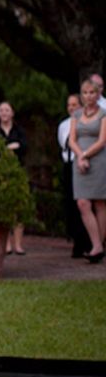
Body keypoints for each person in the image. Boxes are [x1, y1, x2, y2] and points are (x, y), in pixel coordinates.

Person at [69, 79, 106, 263]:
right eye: (85, 92)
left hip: (98, 160)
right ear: (81, 95)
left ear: (97, 94)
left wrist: (86, 154)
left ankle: (98, 247)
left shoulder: (104, 114)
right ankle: (96, 244)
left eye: (92, 92)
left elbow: (102, 141)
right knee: (82, 203)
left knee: (100, 203)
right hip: (80, 162)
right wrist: (80, 156)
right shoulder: (76, 114)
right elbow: (71, 139)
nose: (89, 96)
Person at [58, 94, 90, 259]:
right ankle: (76, 238)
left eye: (75, 104)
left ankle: (86, 242)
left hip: (83, 164)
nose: (71, 107)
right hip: (68, 165)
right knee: (70, 204)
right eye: (69, 105)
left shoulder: (87, 123)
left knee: (83, 203)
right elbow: (63, 146)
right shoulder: (63, 125)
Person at [0, 101, 28, 255]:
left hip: (18, 172)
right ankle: (6, 243)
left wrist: (9, 147)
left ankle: (18, 244)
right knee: (4, 208)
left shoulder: (19, 130)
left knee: (18, 209)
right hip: (1, 173)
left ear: (12, 113)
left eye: (7, 110)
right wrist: (11, 147)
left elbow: (24, 147)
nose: (4, 113)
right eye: (1, 110)